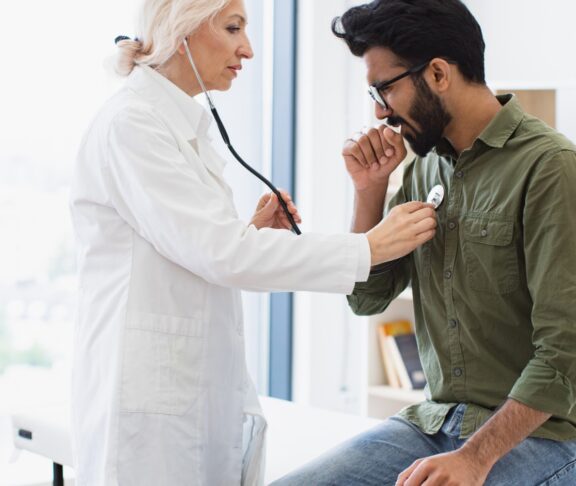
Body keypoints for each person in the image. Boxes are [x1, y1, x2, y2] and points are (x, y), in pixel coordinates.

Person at [69, 0, 437, 485]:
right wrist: (370, 247)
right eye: (233, 28)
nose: (248, 49)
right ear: (181, 32)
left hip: (188, 391)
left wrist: (252, 235)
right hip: (148, 413)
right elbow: (221, 254)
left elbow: (200, 250)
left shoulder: (176, 126)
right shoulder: (133, 125)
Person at [271, 0, 576, 485]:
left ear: (437, 74)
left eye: (384, 89)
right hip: (434, 422)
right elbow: (367, 299)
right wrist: (370, 192)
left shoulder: (550, 167)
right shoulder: (423, 168)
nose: (378, 111)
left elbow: (564, 351)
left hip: (541, 436)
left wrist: (476, 458)